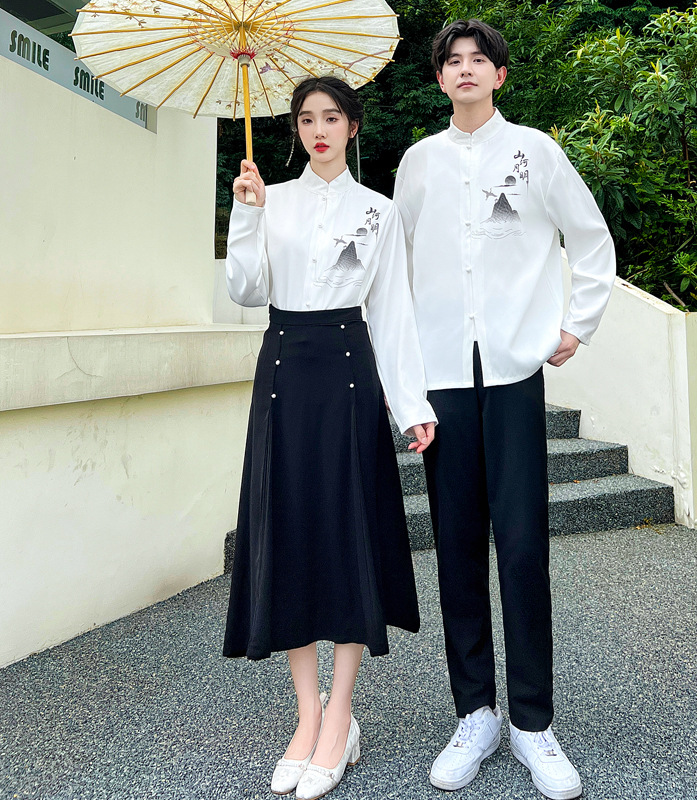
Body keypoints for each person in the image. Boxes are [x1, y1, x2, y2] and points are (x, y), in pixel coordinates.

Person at [394, 19, 615, 800]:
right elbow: (396, 273)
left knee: (522, 548)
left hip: (515, 372)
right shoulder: (418, 163)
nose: (465, 70)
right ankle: (474, 714)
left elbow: (591, 239)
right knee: (456, 549)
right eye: (452, 61)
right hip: (443, 376)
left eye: (478, 60)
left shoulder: (536, 153)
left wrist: (576, 324)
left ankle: (532, 722)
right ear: (439, 78)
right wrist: (405, 386)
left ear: (500, 75)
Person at [222, 76, 437, 800]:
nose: (319, 129)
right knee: (289, 533)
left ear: (353, 126)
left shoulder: (378, 211)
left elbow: (394, 312)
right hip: (283, 373)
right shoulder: (269, 199)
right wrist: (245, 214)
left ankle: (341, 715)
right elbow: (247, 291)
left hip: (349, 373)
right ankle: (307, 714)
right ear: (295, 129)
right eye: (307, 118)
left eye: (332, 117)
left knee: (347, 534)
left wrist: (411, 405)